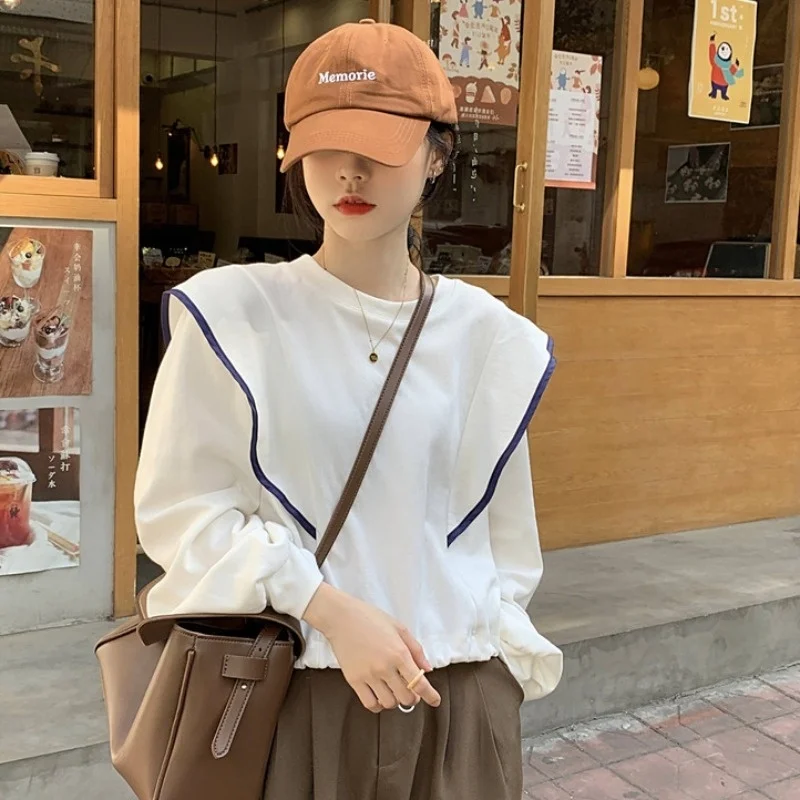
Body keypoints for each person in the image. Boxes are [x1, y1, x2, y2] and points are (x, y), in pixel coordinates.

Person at [135, 19, 562, 800]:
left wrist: (487, 661)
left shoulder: (488, 338)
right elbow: (182, 513)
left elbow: (508, 540)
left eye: (380, 145)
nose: (349, 171)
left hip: (454, 699)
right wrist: (327, 607)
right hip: (297, 696)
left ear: (437, 155)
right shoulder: (235, 314)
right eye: (324, 146)